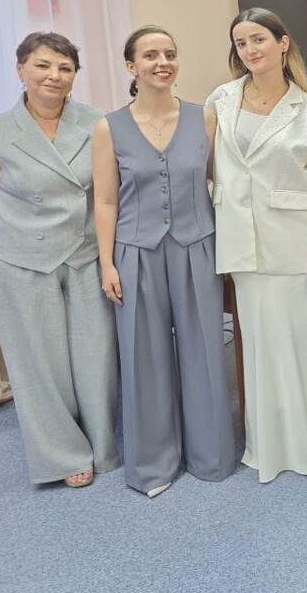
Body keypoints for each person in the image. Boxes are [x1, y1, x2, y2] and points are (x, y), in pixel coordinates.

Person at [207, 8, 307, 484]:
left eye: (259, 40)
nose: (250, 50)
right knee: (262, 347)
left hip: (296, 241)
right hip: (242, 242)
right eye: (241, 43)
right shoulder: (222, 99)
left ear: (283, 43)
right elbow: (206, 165)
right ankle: (268, 445)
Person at [92, 26, 238, 497]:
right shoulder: (109, 127)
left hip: (197, 245)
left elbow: (222, 183)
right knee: (144, 356)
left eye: (170, 54)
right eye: (150, 55)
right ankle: (153, 465)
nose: (162, 62)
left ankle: (211, 456)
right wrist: (107, 262)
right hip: (136, 252)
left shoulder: (204, 118)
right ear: (131, 66)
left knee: (205, 351)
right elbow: (105, 201)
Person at [0, 33, 119, 488]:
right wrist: (26, 222)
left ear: (75, 76)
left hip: (85, 251)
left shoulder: (97, 122)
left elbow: (108, 191)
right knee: (39, 360)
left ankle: (103, 444)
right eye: (42, 65)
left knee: (95, 354)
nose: (53, 75)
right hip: (19, 256)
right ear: (21, 70)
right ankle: (63, 455)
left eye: (64, 68)